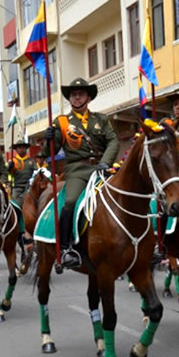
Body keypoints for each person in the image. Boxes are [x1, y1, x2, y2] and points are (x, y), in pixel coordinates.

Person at [43, 77, 118, 269]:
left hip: (101, 168)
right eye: (73, 95)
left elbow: (113, 142)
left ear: (88, 97)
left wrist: (105, 162)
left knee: (124, 195)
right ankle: (66, 248)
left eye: (81, 94)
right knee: (70, 201)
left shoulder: (101, 119)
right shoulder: (61, 122)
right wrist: (48, 140)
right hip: (77, 170)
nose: (77, 97)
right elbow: (46, 153)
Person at [8, 139, 37, 207]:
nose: (22, 149)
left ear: (26, 149)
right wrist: (10, 166)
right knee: (14, 204)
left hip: (29, 186)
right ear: (16, 149)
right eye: (19, 147)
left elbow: (36, 172)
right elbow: (7, 171)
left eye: (23, 147)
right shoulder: (13, 161)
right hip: (17, 186)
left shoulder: (31, 161)